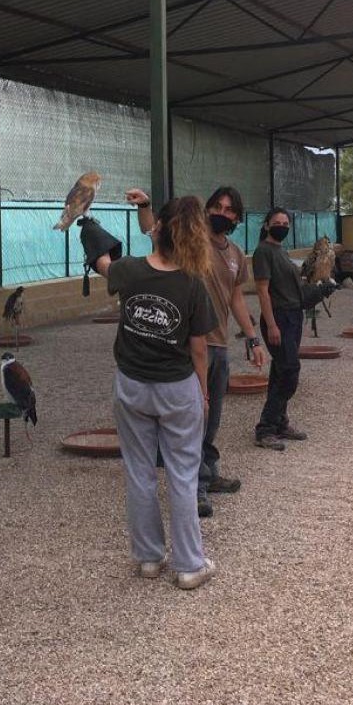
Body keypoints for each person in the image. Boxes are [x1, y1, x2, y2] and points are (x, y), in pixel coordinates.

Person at [80, 196, 218, 590]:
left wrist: (88, 225)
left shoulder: (129, 271)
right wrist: (203, 392)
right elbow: (199, 348)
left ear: (157, 229)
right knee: (182, 475)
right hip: (177, 389)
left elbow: (102, 263)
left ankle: (149, 559)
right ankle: (190, 565)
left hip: (132, 386)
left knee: (139, 472)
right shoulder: (192, 283)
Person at [130, 186, 266, 517]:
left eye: (229, 209)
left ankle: (207, 471)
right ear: (206, 210)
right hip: (190, 344)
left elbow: (236, 298)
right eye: (216, 206)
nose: (221, 213)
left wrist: (253, 338)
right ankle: (194, 488)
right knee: (193, 420)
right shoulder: (192, 241)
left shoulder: (236, 254)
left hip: (219, 345)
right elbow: (153, 231)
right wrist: (145, 205)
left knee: (211, 417)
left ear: (237, 217)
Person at [252, 207, 336, 451]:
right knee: (290, 371)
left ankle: (279, 423)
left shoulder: (282, 251)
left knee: (280, 370)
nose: (282, 226)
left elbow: (295, 290)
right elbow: (263, 291)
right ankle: (265, 428)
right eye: (277, 222)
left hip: (293, 316)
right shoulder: (263, 251)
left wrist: (319, 291)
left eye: (285, 223)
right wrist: (271, 325)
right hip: (278, 317)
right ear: (267, 225)